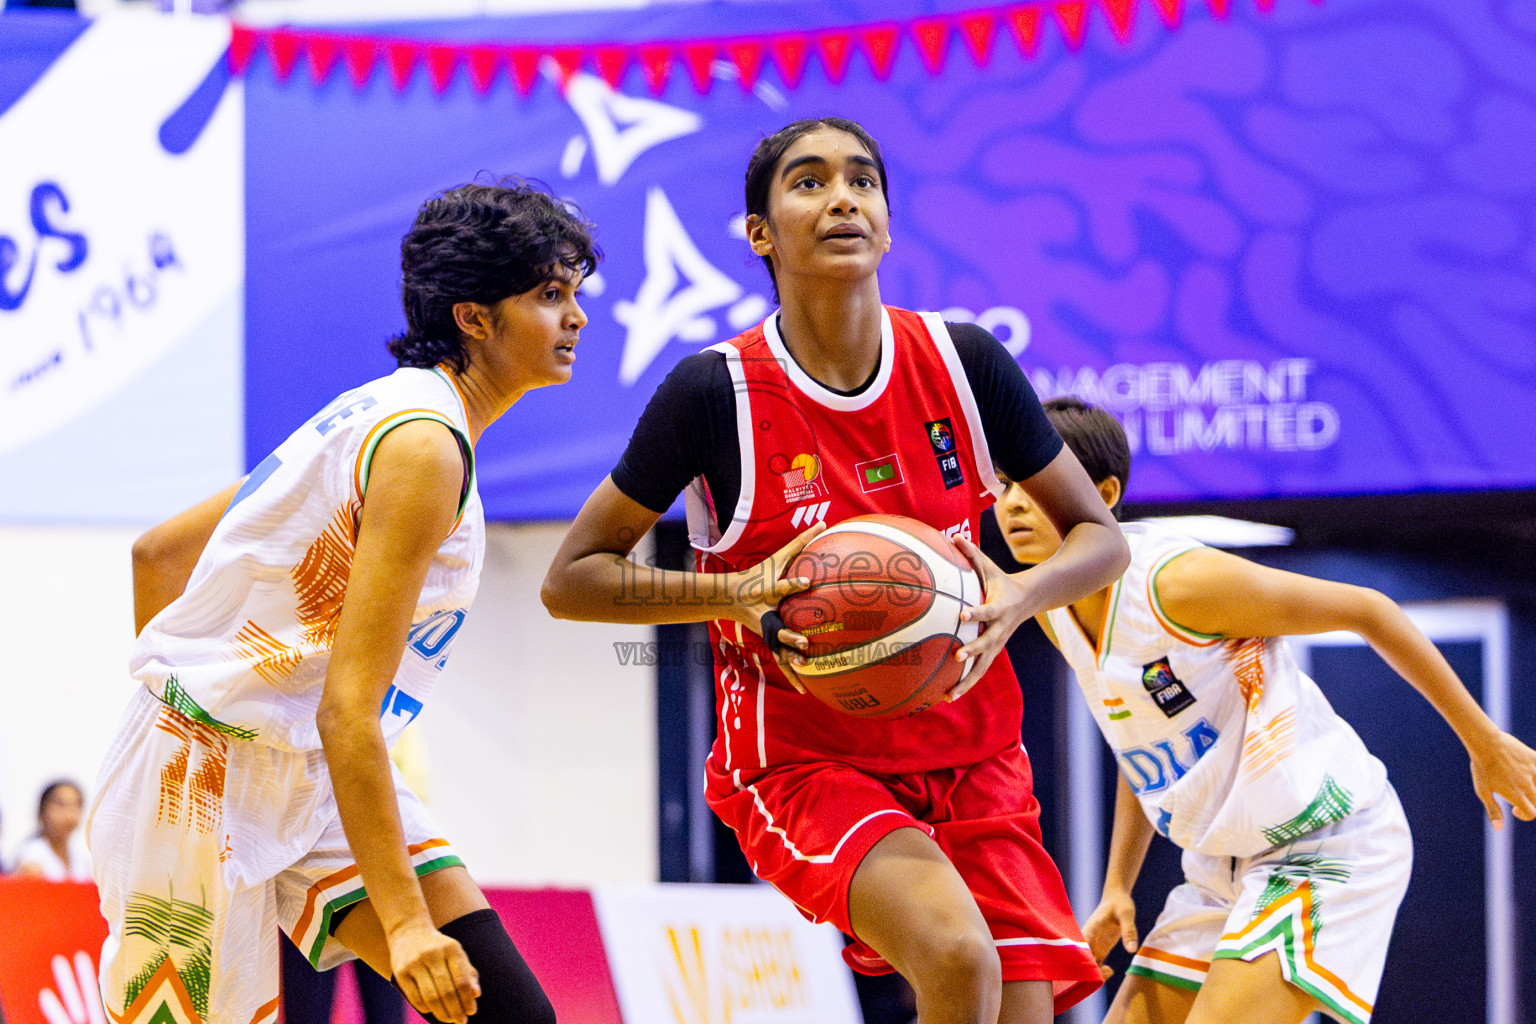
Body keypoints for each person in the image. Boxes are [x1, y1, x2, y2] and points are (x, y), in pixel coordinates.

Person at [542, 117, 1129, 1024]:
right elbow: (572, 577)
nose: (843, 196)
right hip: (802, 756)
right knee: (957, 958)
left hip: (974, 750)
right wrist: (732, 591)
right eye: (809, 182)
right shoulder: (713, 391)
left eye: (863, 180)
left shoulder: (962, 362)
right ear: (760, 233)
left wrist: (1017, 594)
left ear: (889, 223)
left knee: (1022, 1008)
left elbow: (1101, 538)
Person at [87, 180, 596, 1024]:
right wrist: (402, 927)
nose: (575, 316)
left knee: (510, 1014)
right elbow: (346, 711)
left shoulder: (383, 410)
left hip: (303, 770)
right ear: (473, 316)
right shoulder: (422, 445)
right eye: (549, 294)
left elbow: (162, 551)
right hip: (199, 786)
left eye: (574, 293)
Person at [997, 396, 1536, 1024]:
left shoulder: (1177, 582)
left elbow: (1369, 608)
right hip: (1219, 868)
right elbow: (1138, 740)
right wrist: (1119, 882)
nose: (1011, 502)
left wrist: (1483, 739)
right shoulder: (1050, 603)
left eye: (1034, 484)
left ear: (1104, 493)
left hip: (1327, 844)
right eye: (1005, 483)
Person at [13, 780, 93, 881]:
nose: (69, 815)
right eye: (61, 805)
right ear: (42, 811)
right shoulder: (32, 857)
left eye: (76, 805)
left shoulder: (82, 857)